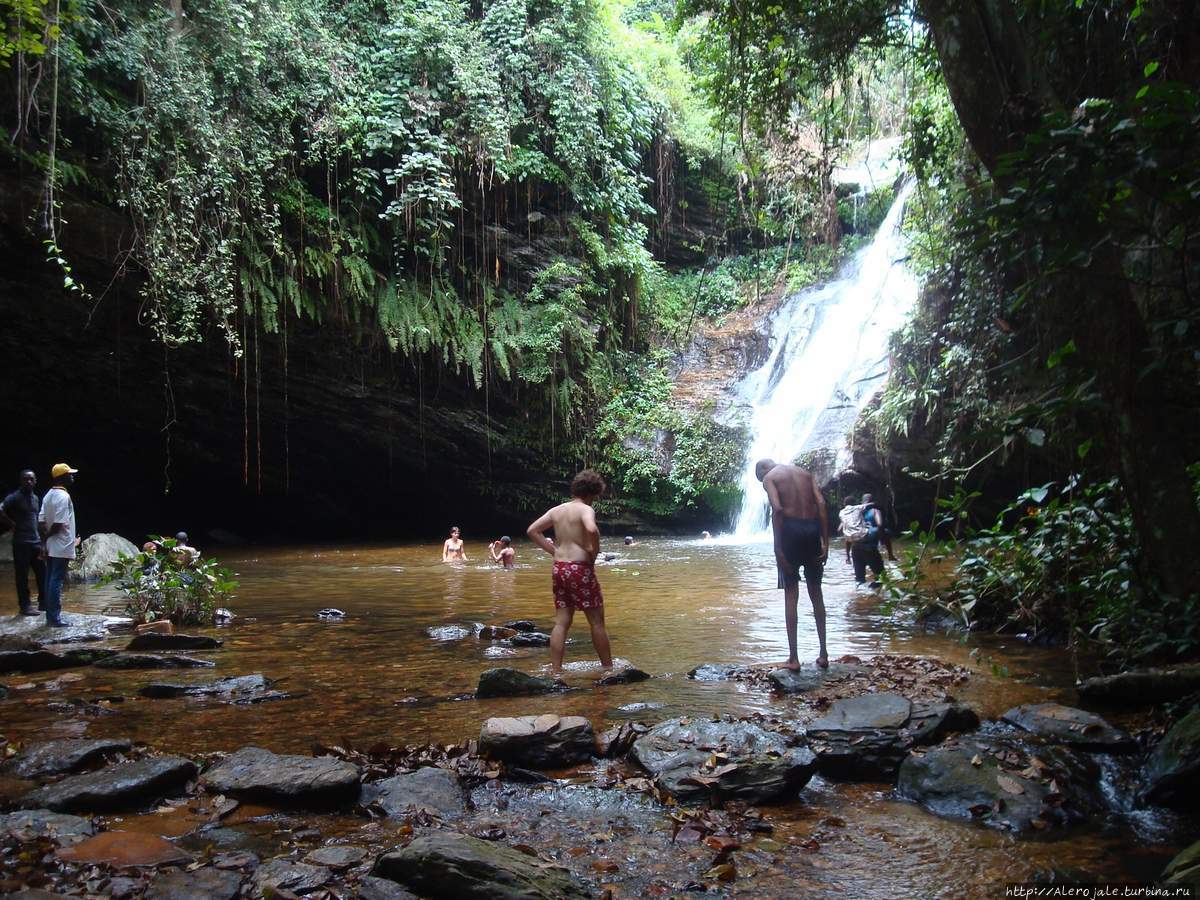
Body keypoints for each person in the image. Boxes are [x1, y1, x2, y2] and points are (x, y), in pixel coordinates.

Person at [526, 469, 613, 674]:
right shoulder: (585, 510)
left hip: (560, 568)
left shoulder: (557, 510)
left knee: (562, 621)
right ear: (593, 493)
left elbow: (532, 531)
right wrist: (593, 551)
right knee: (597, 622)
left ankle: (556, 670)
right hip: (580, 568)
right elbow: (591, 530)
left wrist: (553, 552)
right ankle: (609, 668)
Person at [755, 458, 829, 670]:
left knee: (791, 593)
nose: (763, 484)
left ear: (762, 471)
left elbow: (777, 510)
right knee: (816, 592)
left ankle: (793, 659)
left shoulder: (770, 477)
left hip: (790, 533)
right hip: (812, 530)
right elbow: (822, 504)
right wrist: (825, 542)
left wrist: (778, 549)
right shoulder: (805, 474)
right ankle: (823, 654)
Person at [38, 463, 79, 627]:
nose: (72, 477)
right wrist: (48, 537)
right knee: (56, 581)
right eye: (69, 474)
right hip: (61, 544)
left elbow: (41, 521)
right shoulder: (63, 497)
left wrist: (44, 541)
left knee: (50, 580)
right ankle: (54, 618)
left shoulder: (48, 495)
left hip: (51, 545)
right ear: (61, 478)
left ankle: (50, 616)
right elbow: (58, 523)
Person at [1, 470, 45, 616]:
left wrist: (42, 541)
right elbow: (0, 509)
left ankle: (43, 603)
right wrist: (11, 523)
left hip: (35, 541)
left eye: (31, 479)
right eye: (25, 479)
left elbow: (37, 519)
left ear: (35, 481)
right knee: (22, 576)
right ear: (21, 481)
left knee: (42, 574)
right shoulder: (15, 497)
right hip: (21, 542)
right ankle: (25, 606)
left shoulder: (35, 498)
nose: (28, 482)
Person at [846, 493, 895, 587]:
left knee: (859, 580)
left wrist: (847, 556)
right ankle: (877, 597)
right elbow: (880, 525)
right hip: (869, 548)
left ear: (861, 502)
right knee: (881, 578)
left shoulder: (854, 513)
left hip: (855, 549)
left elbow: (847, 533)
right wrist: (882, 539)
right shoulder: (875, 511)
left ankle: (861, 598)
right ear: (872, 501)